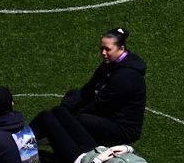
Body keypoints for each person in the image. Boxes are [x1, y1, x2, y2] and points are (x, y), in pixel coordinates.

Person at [30, 28, 148, 156]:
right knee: (73, 95)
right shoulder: (110, 63)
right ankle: (42, 134)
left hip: (123, 127)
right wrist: (64, 110)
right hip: (108, 113)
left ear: (121, 49)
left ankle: (69, 140)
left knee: (82, 119)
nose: (103, 53)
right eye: (101, 48)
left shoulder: (126, 76)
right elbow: (88, 89)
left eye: (107, 49)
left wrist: (69, 119)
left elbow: (101, 106)